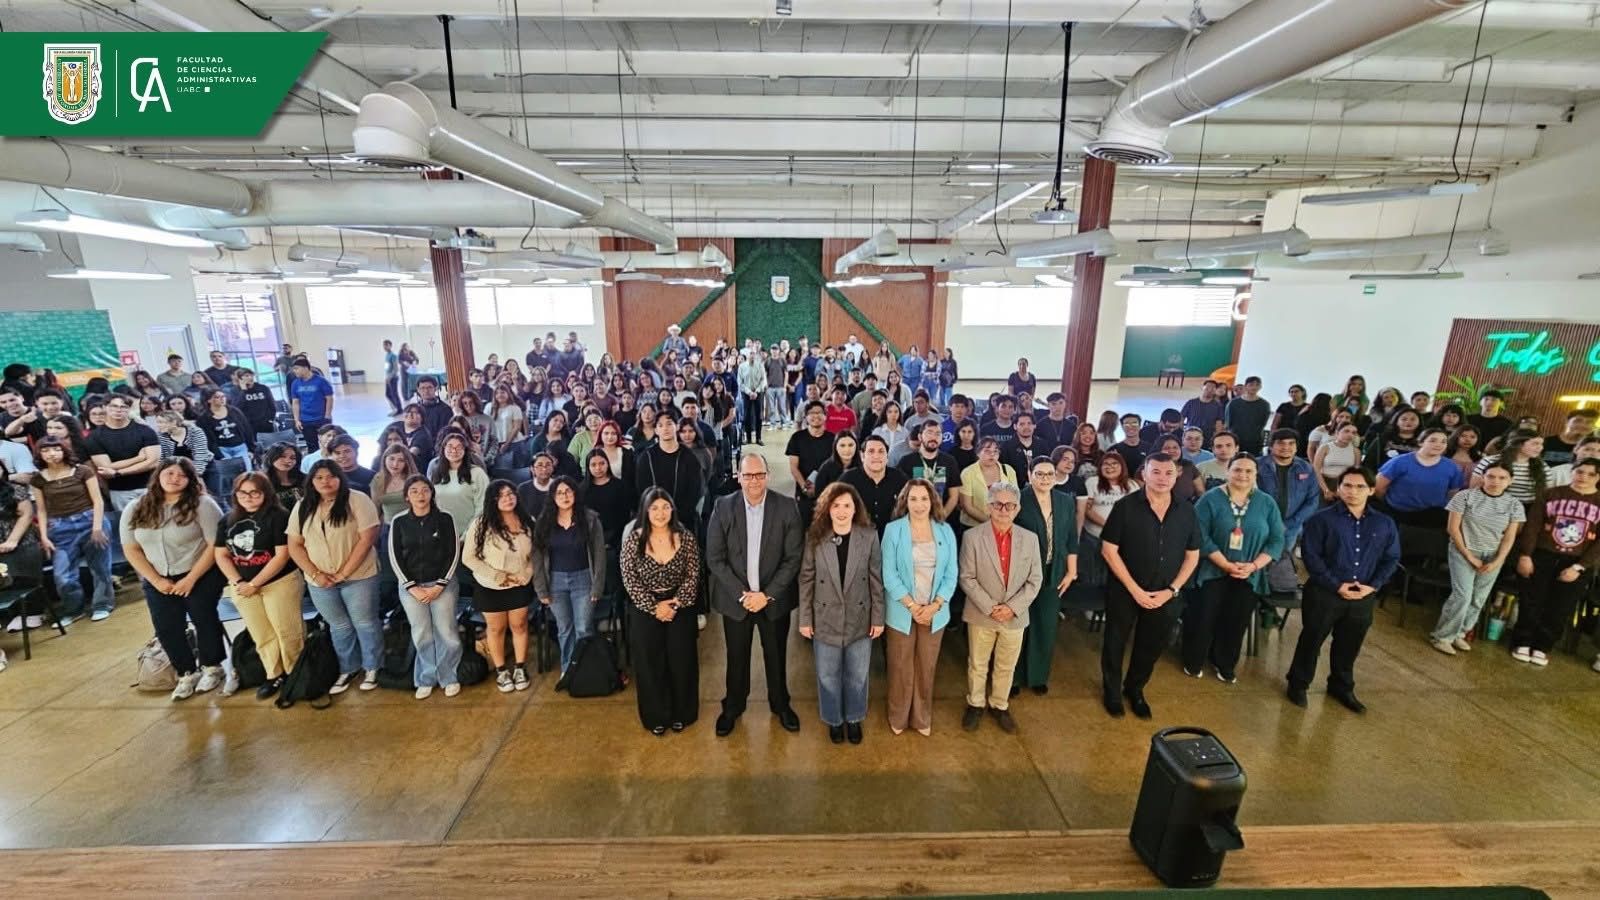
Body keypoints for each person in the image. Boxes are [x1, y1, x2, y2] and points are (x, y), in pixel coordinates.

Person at [704, 453, 804, 737]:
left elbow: (793, 558)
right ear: (739, 477)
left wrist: (767, 595)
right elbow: (715, 557)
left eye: (759, 475)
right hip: (737, 602)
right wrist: (743, 594)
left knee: (776, 655)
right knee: (736, 657)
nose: (754, 481)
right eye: (748, 475)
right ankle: (733, 706)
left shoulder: (786, 508)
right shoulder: (723, 507)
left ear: (768, 475)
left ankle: (780, 704)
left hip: (773, 602)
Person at [1287, 467, 1400, 713]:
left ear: (1371, 490)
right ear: (1338, 488)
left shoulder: (1384, 523)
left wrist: (1372, 586)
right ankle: (1298, 684)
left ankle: (1341, 687)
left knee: (1349, 644)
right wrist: (1337, 585)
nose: (1352, 491)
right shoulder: (1321, 519)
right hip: (1325, 593)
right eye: (1347, 485)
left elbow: (1391, 558)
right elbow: (1312, 557)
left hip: (1363, 595)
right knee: (1312, 640)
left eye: (1360, 487)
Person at [1099, 454, 1201, 719]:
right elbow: (1109, 550)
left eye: (1168, 473)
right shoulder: (1125, 506)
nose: (1162, 478)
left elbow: (1192, 554)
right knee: (1115, 642)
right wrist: (1134, 589)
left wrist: (1172, 590)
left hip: (1166, 593)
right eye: (1155, 472)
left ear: (1176, 475)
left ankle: (1135, 689)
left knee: (1151, 644)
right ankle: (1111, 692)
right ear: (1143, 474)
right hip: (1126, 589)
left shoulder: (1187, 510)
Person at [121, 459, 226, 702]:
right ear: (158, 476)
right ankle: (185, 672)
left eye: (181, 475)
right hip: (157, 576)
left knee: (203, 616)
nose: (174, 478)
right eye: (169, 473)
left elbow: (215, 544)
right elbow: (131, 549)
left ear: (190, 479)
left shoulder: (202, 504)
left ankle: (212, 666)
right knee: (166, 626)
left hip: (200, 572)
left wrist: (190, 579)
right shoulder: (136, 507)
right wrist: (156, 580)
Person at [1185, 455, 1286, 683]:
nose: (1243, 475)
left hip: (1250, 574)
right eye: (1238, 470)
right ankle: (1194, 659)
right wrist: (1225, 564)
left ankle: (1225, 663)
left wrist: (1253, 566)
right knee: (1203, 617)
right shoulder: (1210, 499)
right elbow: (1200, 535)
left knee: (1236, 620)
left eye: (1249, 471)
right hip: (1213, 570)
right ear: (1228, 472)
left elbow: (1277, 539)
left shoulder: (1266, 502)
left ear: (1255, 475)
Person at [287, 461, 384, 696]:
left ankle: (372, 666)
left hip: (359, 576)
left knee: (365, 622)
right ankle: (348, 667)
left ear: (340, 478)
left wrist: (342, 573)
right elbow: (295, 545)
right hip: (319, 581)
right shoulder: (303, 506)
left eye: (330, 476)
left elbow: (367, 538)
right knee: (338, 626)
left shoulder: (357, 499)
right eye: (318, 477)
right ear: (311, 481)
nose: (325, 482)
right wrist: (316, 574)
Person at [797, 482, 884, 744]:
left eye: (847, 505)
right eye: (836, 505)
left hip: (860, 618)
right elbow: (806, 579)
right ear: (827, 508)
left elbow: (875, 580)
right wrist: (804, 619)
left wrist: (878, 618)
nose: (842, 511)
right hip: (825, 619)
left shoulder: (868, 536)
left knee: (857, 675)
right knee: (827, 675)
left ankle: (855, 718)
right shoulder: (815, 537)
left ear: (856, 508)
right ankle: (834, 719)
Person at [957, 480, 1041, 733]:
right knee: (978, 663)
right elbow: (966, 577)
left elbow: (1035, 579)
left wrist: (1011, 607)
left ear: (1017, 508)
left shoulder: (1030, 539)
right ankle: (975, 703)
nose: (1003, 509)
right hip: (982, 613)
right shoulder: (972, 537)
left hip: (1014, 617)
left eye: (1009, 505)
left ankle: (999, 704)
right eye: (997, 504)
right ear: (988, 505)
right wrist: (991, 607)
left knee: (1006, 664)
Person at [215, 471, 305, 701]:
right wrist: (238, 582)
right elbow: (221, 555)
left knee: (287, 631)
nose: (248, 497)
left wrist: (255, 583)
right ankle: (273, 674)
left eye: (255, 492)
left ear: (265, 493)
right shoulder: (227, 520)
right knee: (261, 633)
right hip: (243, 586)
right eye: (243, 492)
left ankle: (295, 673)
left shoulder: (278, 516)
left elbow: (281, 555)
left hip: (279, 582)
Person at [621, 488, 701, 735]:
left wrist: (675, 603)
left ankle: (682, 713)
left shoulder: (685, 536)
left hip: (680, 605)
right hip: (646, 608)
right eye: (654, 508)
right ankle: (656, 715)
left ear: (672, 509)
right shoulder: (634, 539)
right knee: (649, 663)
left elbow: (693, 574)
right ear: (646, 510)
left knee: (681, 660)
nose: (660, 513)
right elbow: (629, 578)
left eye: (665, 507)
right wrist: (654, 607)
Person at [881, 479, 956, 736]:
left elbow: (951, 574)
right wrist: (913, 606)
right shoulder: (893, 530)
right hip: (902, 611)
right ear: (905, 502)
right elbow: (888, 573)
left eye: (924, 498)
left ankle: (922, 717)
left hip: (935, 613)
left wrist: (935, 605)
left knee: (927, 666)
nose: (919, 504)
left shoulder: (945, 530)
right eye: (913, 499)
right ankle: (898, 716)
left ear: (932, 501)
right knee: (900, 665)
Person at [1510, 459, 1600, 668]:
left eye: (1590, 474)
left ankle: (1543, 646)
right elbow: (1533, 526)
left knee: (1560, 607)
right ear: (1573, 471)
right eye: (1579, 471)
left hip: (1576, 562)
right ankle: (1522, 641)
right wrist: (1525, 555)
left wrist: (1580, 567)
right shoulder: (1551, 493)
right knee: (1532, 599)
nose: (1583, 477)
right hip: (1543, 554)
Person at [1429, 461, 1524, 656]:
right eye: (1491, 476)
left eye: (1502, 478)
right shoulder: (1465, 496)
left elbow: (1509, 537)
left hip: (1492, 555)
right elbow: (1453, 529)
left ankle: (1460, 633)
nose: (1495, 481)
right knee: (1462, 595)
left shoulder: (1514, 504)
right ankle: (1442, 636)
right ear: (1483, 477)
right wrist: (1469, 556)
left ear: (1510, 481)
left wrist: (1497, 561)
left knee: (1478, 598)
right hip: (1463, 550)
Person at [531, 476, 607, 686]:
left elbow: (599, 556)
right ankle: (568, 668)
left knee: (584, 628)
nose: (564, 496)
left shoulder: (590, 520)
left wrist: (597, 586)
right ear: (552, 497)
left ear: (575, 494)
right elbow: (537, 558)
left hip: (584, 579)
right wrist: (541, 590)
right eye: (560, 493)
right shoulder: (544, 522)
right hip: (556, 582)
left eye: (568, 492)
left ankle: (586, 670)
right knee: (564, 629)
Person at [29, 437, 115, 622]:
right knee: (62, 575)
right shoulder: (37, 479)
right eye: (46, 450)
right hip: (59, 526)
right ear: (39, 454)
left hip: (90, 519)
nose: (52, 454)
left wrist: (97, 527)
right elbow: (41, 510)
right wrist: (44, 536)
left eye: (56, 449)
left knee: (100, 568)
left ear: (64, 450)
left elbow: (98, 501)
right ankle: (73, 610)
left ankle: (102, 604)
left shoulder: (82, 471)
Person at [463, 480, 537, 692]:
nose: (508, 498)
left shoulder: (527, 520)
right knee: (495, 628)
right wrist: (497, 575)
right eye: (501, 495)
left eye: (511, 493)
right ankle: (501, 670)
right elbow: (469, 558)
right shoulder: (481, 523)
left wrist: (527, 574)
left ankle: (520, 667)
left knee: (520, 625)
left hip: (520, 583)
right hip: (490, 585)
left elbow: (536, 554)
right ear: (493, 500)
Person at [1014, 457, 1079, 695]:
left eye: (1049, 474)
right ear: (1029, 474)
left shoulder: (1065, 501)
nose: (1045, 479)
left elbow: (1072, 537)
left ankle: (1037, 676)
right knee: (1018, 625)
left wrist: (1072, 570)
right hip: (1022, 573)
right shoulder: (1018, 498)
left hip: (1055, 570)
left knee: (1046, 625)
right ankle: (1013, 678)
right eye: (1039, 474)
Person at [1375, 428, 1465, 528]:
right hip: (1398, 515)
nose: (1438, 444)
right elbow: (1379, 487)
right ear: (1421, 442)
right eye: (1433, 440)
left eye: (1443, 442)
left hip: (1433, 518)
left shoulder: (1451, 466)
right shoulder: (1400, 461)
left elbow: (1453, 493)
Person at [86, 394, 161, 512]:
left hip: (150, 486)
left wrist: (118, 472)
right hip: (120, 491)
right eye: (114, 406)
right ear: (105, 407)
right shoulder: (94, 437)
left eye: (123, 407)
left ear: (129, 409)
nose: (118, 410)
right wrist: (139, 458)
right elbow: (106, 468)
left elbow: (153, 462)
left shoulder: (145, 430)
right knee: (128, 526)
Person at [635, 409, 706, 531]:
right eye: (660, 425)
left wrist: (675, 517)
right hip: (653, 521)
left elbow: (695, 492)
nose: (665, 428)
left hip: (683, 521)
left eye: (669, 424)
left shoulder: (689, 458)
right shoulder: (646, 458)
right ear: (656, 430)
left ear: (677, 426)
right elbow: (642, 490)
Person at [1257, 429, 1321, 551]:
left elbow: (1312, 501)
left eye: (1291, 443)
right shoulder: (1257, 466)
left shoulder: (1307, 469)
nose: (1286, 447)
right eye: (1280, 443)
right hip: (1260, 526)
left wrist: (1290, 524)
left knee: (1282, 563)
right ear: (1271, 446)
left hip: (1290, 529)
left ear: (1296, 447)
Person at [840, 435, 909, 537]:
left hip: (893, 538)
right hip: (857, 539)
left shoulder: (900, 478)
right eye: (871, 451)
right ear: (862, 456)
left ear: (887, 456)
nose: (876, 456)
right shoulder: (848, 480)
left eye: (881, 452)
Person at [898, 420, 962, 521]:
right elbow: (902, 497)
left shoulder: (950, 461)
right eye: (929, 433)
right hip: (914, 520)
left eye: (938, 434)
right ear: (920, 437)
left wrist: (941, 517)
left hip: (943, 519)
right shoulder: (906, 462)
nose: (933, 437)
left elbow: (954, 497)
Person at [429, 433, 488, 542]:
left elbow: (482, 507)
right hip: (442, 535)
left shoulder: (477, 473)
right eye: (450, 446)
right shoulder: (436, 473)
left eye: (459, 447)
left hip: (471, 535)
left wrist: (467, 536)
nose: (454, 450)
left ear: (466, 450)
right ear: (443, 448)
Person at [786, 400, 834, 523]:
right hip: (804, 491)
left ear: (825, 416)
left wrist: (820, 488)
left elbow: (835, 467)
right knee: (802, 526)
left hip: (827, 492)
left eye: (819, 412)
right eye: (811, 413)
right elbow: (793, 467)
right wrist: (805, 488)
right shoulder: (797, 438)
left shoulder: (833, 439)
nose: (816, 416)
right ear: (806, 417)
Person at [1471, 432, 1547, 506]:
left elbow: (1546, 493)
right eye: (1535, 443)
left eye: (1541, 444)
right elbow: (1474, 488)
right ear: (1518, 444)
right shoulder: (1489, 461)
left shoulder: (1543, 466)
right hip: (1492, 505)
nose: (1541, 448)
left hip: (1529, 509)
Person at [1082, 450, 1135, 540]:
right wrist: (1108, 525)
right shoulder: (1092, 482)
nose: (1110, 466)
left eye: (1114, 463)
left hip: (1123, 536)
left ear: (1122, 466)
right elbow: (1086, 509)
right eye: (1105, 464)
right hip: (1094, 536)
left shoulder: (1132, 485)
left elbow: (1136, 510)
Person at [287, 356, 335, 449]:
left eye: (297, 369)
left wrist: (327, 415)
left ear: (305, 368)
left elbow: (329, 398)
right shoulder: (295, 383)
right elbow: (295, 402)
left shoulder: (321, 381)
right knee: (312, 447)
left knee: (328, 445)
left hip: (321, 419)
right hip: (306, 420)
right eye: (294, 369)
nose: (294, 371)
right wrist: (297, 420)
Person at [1313, 421, 1363, 499]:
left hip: (1344, 484)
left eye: (1354, 433)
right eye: (1346, 431)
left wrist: (1341, 489)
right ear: (1337, 432)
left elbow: (1354, 473)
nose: (1350, 435)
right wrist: (1325, 490)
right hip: (1323, 482)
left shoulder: (1356, 451)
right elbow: (1316, 469)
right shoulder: (1325, 447)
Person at [1225, 376, 1273, 455]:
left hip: (1255, 441)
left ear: (1260, 387)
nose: (1254, 387)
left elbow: (1262, 423)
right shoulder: (1233, 403)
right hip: (1236, 440)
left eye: (1257, 385)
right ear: (1245, 386)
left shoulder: (1264, 404)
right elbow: (1228, 423)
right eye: (1251, 384)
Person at [737, 349, 767, 446]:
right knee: (746, 416)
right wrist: (749, 392)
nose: (752, 355)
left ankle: (758, 438)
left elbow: (763, 380)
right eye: (750, 353)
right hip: (746, 394)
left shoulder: (760, 365)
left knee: (759, 416)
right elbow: (740, 382)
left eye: (754, 353)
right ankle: (748, 438)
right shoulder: (742, 367)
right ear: (746, 354)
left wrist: (757, 391)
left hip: (758, 393)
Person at [1182, 380, 1227, 445]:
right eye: (1208, 387)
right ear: (1203, 388)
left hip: (1207, 438)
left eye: (1213, 388)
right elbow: (1181, 418)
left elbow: (1219, 424)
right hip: (1190, 436)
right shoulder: (1191, 402)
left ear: (1215, 391)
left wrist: (1217, 438)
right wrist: (1182, 432)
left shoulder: (1218, 406)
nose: (1210, 390)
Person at [235, 369, 278, 437]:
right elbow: (237, 408)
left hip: (266, 423)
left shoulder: (263, 388)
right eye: (246, 376)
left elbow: (272, 404)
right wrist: (244, 391)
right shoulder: (236, 391)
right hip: (250, 425)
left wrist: (270, 419)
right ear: (240, 378)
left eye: (251, 375)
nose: (250, 377)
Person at [517, 452, 558, 520]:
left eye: (548, 465)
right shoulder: (523, 489)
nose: (544, 469)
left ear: (552, 468)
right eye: (540, 465)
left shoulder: (559, 486)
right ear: (532, 469)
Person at [382, 339, 402, 417]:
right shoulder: (387, 355)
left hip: (393, 378)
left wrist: (390, 377)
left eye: (386, 345)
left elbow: (395, 369)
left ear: (390, 345)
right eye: (383, 345)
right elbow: (387, 368)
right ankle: (396, 409)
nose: (384, 347)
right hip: (388, 378)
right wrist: (386, 377)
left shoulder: (393, 356)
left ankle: (398, 409)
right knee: (388, 394)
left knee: (394, 394)